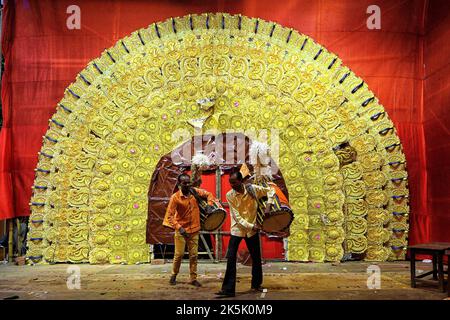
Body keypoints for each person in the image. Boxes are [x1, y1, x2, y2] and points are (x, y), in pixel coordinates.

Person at [215, 170, 275, 297]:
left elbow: (271, 190)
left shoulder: (253, 189)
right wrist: (253, 226)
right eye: (230, 183)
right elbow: (237, 217)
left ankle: (256, 285)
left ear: (241, 181)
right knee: (231, 259)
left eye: (234, 182)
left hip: (252, 230)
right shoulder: (230, 195)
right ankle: (228, 290)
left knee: (256, 258)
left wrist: (269, 205)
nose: (232, 185)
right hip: (237, 229)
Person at [163, 173, 215, 287]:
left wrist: (209, 205)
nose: (187, 185)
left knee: (194, 255)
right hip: (181, 230)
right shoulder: (175, 197)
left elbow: (209, 194)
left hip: (194, 229)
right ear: (179, 184)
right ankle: (174, 274)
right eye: (184, 183)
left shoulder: (195, 192)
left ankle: (193, 278)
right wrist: (179, 228)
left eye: (188, 182)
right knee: (179, 254)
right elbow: (169, 216)